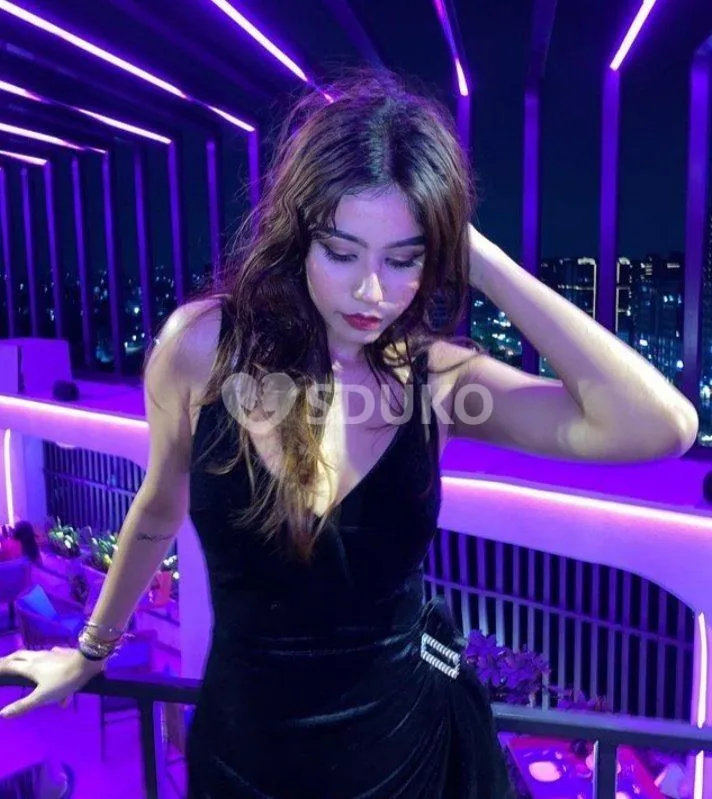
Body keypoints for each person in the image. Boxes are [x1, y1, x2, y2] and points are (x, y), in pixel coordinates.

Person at [0, 70, 698, 798]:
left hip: (410, 756)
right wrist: (90, 651)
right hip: (246, 762)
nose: (372, 292)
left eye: (403, 258)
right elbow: (157, 507)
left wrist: (479, 256)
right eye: (342, 252)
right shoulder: (201, 349)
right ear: (298, 235)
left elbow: (661, 425)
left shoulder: (440, 381)